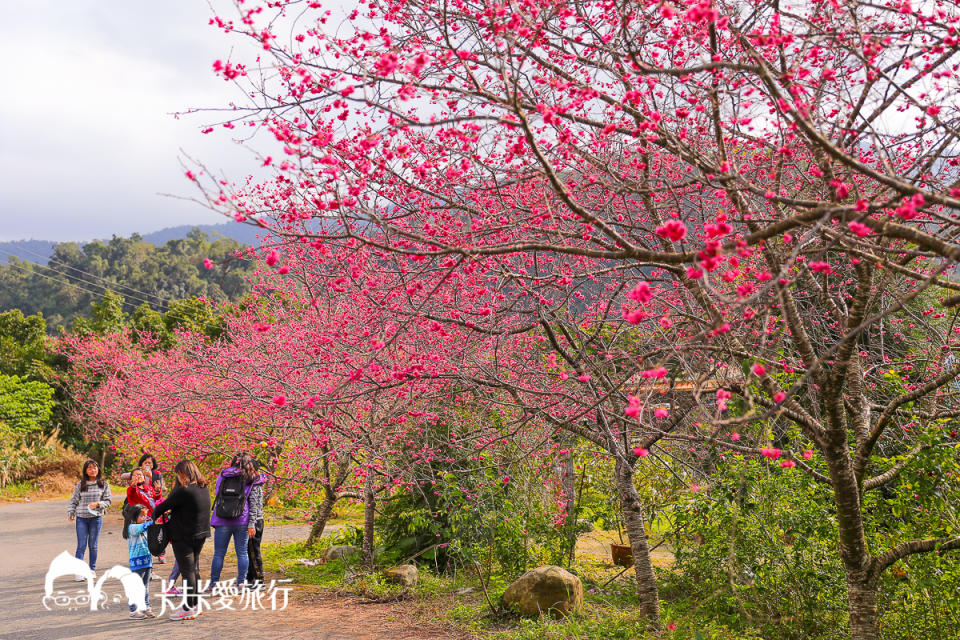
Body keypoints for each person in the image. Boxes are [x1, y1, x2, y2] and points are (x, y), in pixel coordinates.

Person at [152, 460, 210, 621]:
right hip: (200, 534)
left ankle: (188, 607)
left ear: (184, 473)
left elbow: (161, 507)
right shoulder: (203, 488)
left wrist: (151, 521)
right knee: (193, 570)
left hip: (183, 536)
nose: (178, 477)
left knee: (187, 572)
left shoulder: (184, 491)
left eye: (179, 474)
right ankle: (196, 604)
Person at [208, 452, 265, 590]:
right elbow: (253, 502)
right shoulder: (251, 476)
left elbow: (218, 492)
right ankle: (241, 583)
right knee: (242, 553)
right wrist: (252, 524)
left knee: (219, 553)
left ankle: (213, 584)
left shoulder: (223, 475)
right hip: (242, 520)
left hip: (222, 519)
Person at [67, 460, 111, 581]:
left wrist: (98, 504)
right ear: (86, 471)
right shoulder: (81, 484)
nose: (93, 469)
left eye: (95, 467)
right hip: (81, 518)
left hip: (96, 518)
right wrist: (71, 512)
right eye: (90, 468)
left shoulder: (104, 484)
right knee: (81, 545)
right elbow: (74, 500)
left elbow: (108, 501)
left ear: (98, 469)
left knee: (93, 545)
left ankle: (91, 569)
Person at [123, 504, 155, 619]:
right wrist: (154, 519)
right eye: (142, 516)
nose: (144, 518)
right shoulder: (132, 527)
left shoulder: (144, 526)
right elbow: (143, 527)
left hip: (147, 561)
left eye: (146, 516)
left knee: (145, 586)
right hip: (136, 563)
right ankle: (133, 610)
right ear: (134, 517)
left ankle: (146, 607)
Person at [245, 458, 267, 586]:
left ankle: (259, 580)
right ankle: (250, 578)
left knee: (253, 551)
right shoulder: (255, 482)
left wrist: (251, 524)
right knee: (250, 551)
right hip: (257, 520)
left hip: (255, 521)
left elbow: (254, 507)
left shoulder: (254, 484)